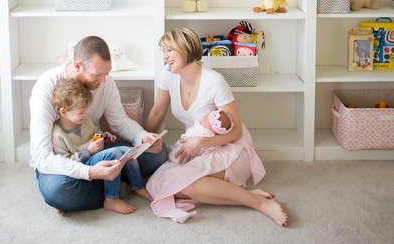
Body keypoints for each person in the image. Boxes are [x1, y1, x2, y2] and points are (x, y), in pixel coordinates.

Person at [145, 27, 288, 226]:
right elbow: (157, 112)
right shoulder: (169, 75)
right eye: (163, 51)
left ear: (185, 48)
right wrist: (143, 141)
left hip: (230, 147)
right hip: (197, 147)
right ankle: (239, 193)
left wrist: (203, 142)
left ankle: (258, 202)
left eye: (169, 50)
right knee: (163, 182)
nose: (165, 56)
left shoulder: (214, 81)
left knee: (186, 184)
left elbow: (236, 130)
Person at [30, 35, 167, 214]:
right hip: (63, 160)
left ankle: (106, 186)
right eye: (97, 75)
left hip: (95, 148)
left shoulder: (105, 81)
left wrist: (143, 137)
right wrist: (90, 173)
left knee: (159, 153)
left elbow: (119, 121)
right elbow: (43, 158)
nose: (103, 81)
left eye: (107, 73)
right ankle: (120, 188)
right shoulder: (46, 88)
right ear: (77, 65)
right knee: (59, 191)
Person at [51, 78, 152, 214]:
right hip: (81, 164)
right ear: (63, 112)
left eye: (86, 111)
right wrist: (88, 150)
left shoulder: (84, 120)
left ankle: (138, 186)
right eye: (81, 112)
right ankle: (111, 198)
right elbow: (64, 162)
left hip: (95, 155)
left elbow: (94, 133)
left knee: (128, 151)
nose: (86, 115)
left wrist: (103, 136)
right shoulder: (57, 134)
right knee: (114, 154)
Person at [168, 108, 233, 162]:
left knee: (178, 155)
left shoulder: (205, 134)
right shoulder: (200, 125)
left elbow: (206, 147)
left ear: (213, 131)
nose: (205, 118)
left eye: (207, 121)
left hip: (190, 151)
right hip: (185, 143)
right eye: (207, 116)